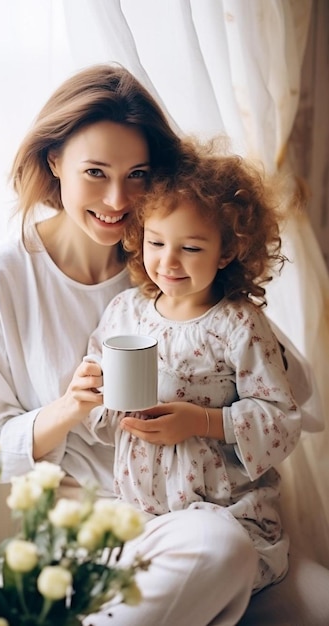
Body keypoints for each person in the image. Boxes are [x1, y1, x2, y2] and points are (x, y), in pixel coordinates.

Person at [0, 64, 305, 625]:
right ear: (54, 162)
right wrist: (70, 409)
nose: (117, 199)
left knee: (227, 546)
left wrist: (206, 412)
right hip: (95, 528)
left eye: (138, 174)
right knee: (221, 551)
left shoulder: (174, 264)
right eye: (95, 172)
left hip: (202, 517)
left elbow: (292, 397)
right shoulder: (3, 278)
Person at [79, 138, 301, 619]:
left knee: (211, 559)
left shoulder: (238, 325)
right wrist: (91, 392)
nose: (169, 262)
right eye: (157, 243)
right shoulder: (126, 312)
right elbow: (98, 407)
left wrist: (202, 421)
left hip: (222, 512)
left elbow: (281, 419)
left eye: (192, 247)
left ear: (226, 253)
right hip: (138, 511)